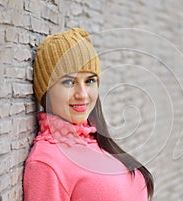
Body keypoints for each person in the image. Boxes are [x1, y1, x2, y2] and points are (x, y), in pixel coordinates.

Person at [23, 28, 154, 201]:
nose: (83, 94)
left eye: (90, 81)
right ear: (45, 91)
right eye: (69, 82)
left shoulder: (96, 141)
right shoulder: (46, 162)